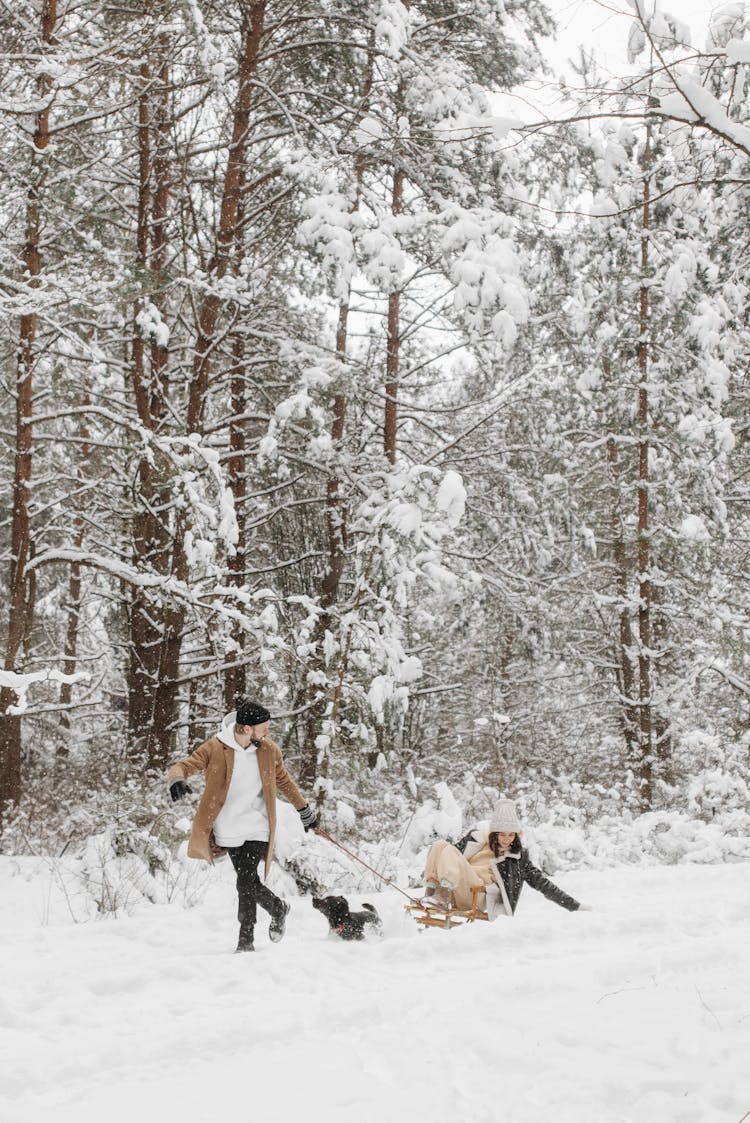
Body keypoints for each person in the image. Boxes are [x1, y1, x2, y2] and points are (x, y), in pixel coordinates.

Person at [168, 700, 318, 953]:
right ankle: (278, 908)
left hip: (257, 825)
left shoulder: (269, 750)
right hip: (228, 827)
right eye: (264, 727)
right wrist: (177, 779)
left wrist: (304, 810)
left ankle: (245, 941)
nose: (267, 732)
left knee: (245, 881)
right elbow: (185, 764)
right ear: (246, 728)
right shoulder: (216, 747)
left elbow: (284, 781)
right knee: (248, 882)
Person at [422, 798, 588, 918]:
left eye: (511, 835)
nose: (507, 839)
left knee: (449, 850)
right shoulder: (476, 840)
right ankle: (432, 893)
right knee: (440, 846)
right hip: (458, 889)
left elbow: (542, 883)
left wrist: (574, 906)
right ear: (494, 833)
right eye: (502, 834)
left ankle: (441, 896)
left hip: (477, 895)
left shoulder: (516, 858)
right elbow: (444, 859)